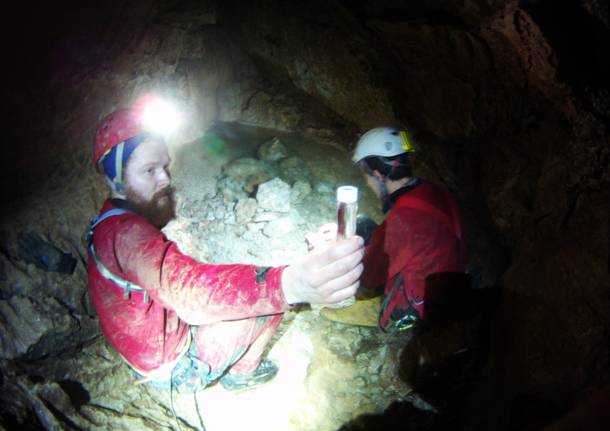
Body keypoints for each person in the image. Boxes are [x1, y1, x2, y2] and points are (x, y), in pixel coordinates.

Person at [87, 107, 364, 392]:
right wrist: (289, 284)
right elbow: (188, 293)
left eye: (165, 166)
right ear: (116, 178)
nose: (166, 179)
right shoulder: (128, 235)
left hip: (144, 347)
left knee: (239, 284)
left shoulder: (108, 221)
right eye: (149, 170)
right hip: (173, 365)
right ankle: (242, 374)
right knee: (267, 301)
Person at [321, 126, 468, 331]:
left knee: (353, 263)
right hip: (450, 280)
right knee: (364, 225)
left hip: (417, 305)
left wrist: (339, 248)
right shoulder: (431, 190)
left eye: (367, 177)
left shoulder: (402, 221)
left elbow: (368, 277)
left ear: (378, 174)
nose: (368, 183)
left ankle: (383, 310)